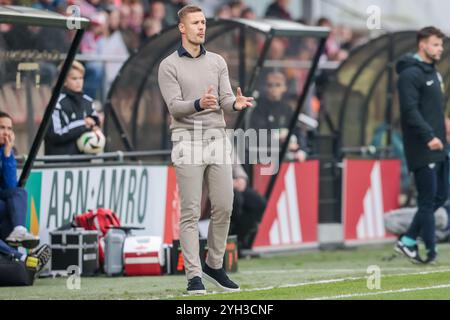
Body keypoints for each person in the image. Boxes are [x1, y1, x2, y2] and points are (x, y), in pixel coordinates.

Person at [158, 5, 253, 295]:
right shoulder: (168, 66)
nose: (201, 27)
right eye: (195, 23)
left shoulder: (217, 62)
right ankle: (193, 276)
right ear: (182, 28)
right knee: (189, 212)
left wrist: (234, 105)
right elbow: (175, 107)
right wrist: (199, 103)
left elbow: (225, 99)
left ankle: (214, 264)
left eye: (203, 22)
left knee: (224, 205)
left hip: (217, 139)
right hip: (187, 140)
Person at [395, 26, 448, 264]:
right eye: (436, 44)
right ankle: (431, 253)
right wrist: (428, 136)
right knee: (427, 200)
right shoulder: (410, 74)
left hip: (439, 145)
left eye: (441, 45)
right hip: (423, 146)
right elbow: (409, 111)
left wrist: (443, 128)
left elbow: (433, 109)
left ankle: (407, 240)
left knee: (440, 196)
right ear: (422, 45)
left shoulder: (434, 73)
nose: (440, 49)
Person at [0, 111, 51, 273]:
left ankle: (19, 230)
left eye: (9, 128)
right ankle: (23, 259)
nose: (6, 132)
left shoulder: (6, 151)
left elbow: (10, 187)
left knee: (19, 193)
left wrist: (8, 155)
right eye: (1, 127)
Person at [45, 61, 102, 156]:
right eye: (74, 78)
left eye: (81, 78)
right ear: (64, 81)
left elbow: (95, 124)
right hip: (61, 163)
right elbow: (56, 134)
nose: (79, 82)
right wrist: (83, 124)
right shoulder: (56, 104)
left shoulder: (88, 102)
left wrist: (94, 128)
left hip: (84, 163)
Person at [249, 70, 308, 162]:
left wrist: (302, 150)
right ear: (266, 87)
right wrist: (279, 137)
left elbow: (298, 131)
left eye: (278, 85)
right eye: (270, 85)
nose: (274, 88)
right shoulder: (258, 110)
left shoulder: (288, 109)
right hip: (266, 158)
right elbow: (257, 135)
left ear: (284, 88)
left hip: (288, 156)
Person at [230, 163, 266, 253]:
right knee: (237, 201)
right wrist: (229, 182)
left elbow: (235, 163)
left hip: (234, 185)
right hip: (215, 186)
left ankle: (236, 240)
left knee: (258, 203)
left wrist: (241, 178)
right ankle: (225, 240)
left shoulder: (226, 148)